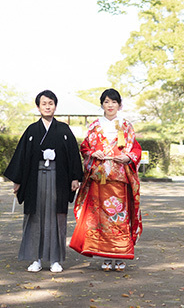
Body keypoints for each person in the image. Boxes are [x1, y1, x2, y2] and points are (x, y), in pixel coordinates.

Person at [4, 90, 83, 273]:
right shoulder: (32, 130)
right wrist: (17, 181)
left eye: (51, 103)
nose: (47, 106)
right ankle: (36, 259)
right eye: (44, 103)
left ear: (55, 105)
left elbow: (73, 154)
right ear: (38, 106)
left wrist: (75, 178)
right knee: (35, 218)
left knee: (57, 218)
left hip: (58, 179)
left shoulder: (63, 129)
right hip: (35, 179)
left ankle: (56, 259)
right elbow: (22, 157)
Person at [69, 88, 142, 271]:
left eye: (114, 102)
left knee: (119, 216)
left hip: (119, 177)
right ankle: (105, 256)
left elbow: (136, 149)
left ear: (120, 105)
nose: (110, 105)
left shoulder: (126, 125)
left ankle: (120, 255)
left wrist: (128, 158)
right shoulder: (95, 125)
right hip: (100, 177)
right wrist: (93, 152)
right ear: (102, 104)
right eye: (107, 102)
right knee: (99, 218)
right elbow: (84, 147)